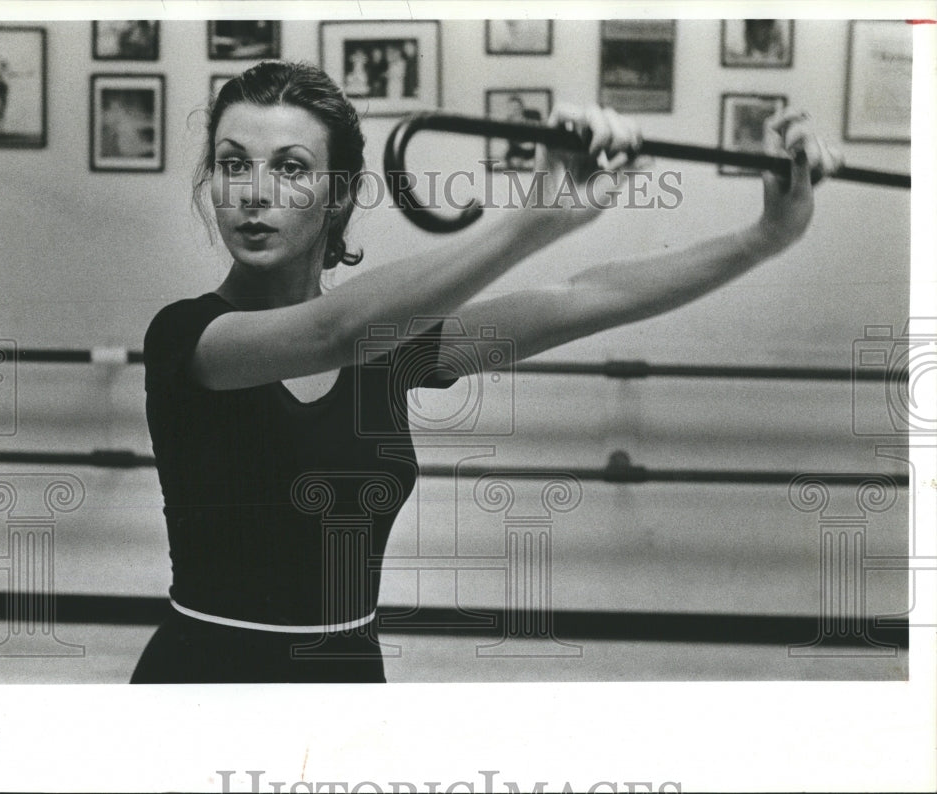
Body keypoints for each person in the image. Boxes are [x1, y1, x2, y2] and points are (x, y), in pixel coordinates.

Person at [131, 59, 841, 684]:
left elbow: (589, 298)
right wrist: (536, 219)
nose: (254, 192)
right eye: (232, 163)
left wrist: (765, 237)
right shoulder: (186, 337)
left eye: (290, 167)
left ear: (340, 193)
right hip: (204, 683)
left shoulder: (392, 347)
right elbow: (332, 331)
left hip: (347, 681)